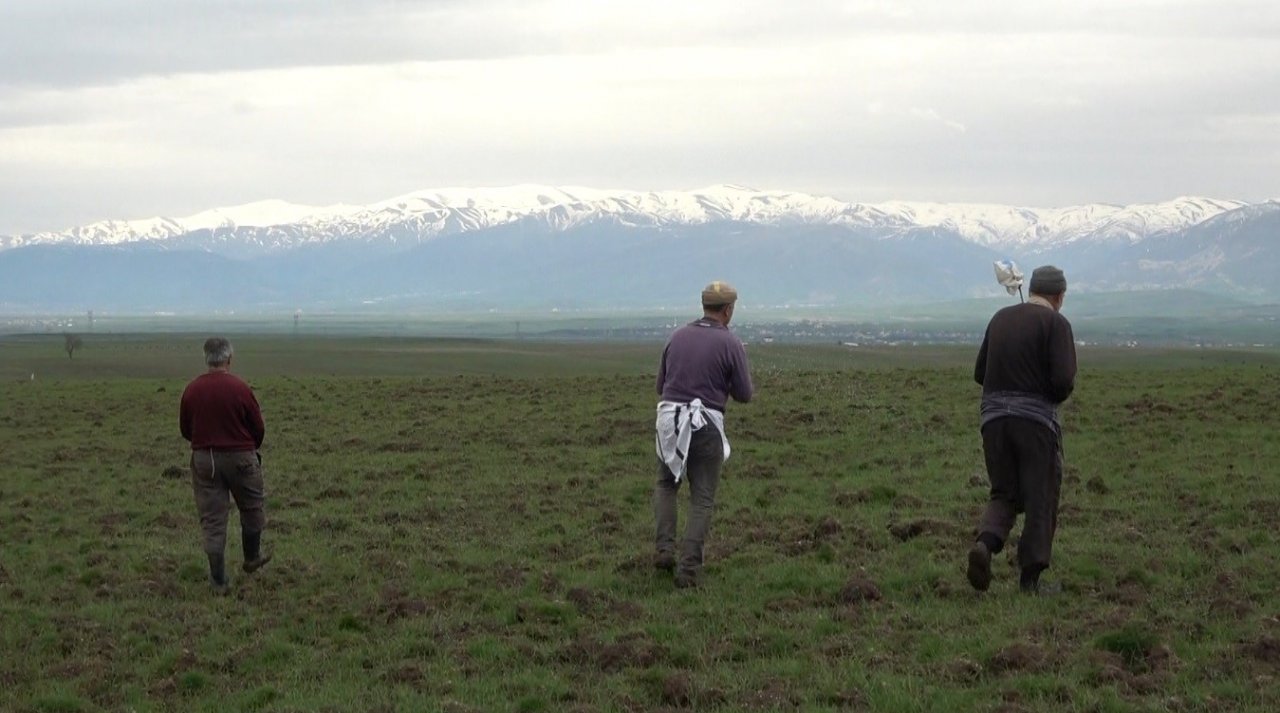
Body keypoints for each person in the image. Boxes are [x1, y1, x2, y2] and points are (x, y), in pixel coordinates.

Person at [967, 266, 1077, 594]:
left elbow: (979, 373)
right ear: (1059, 296)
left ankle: (985, 545)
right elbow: (1062, 383)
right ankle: (1031, 580)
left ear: (1031, 290)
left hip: (993, 423)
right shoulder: (1057, 324)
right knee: (1041, 496)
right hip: (1036, 426)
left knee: (1004, 493)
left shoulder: (1000, 318)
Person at [654, 281, 754, 588]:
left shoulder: (677, 336)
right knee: (702, 497)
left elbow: (661, 386)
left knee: (667, 484)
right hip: (704, 423)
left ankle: (663, 550)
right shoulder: (730, 343)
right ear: (728, 310)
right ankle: (688, 570)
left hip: (669, 420)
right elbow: (744, 394)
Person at [179, 337, 270, 593]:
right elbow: (258, 427)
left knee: (212, 519)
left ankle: (218, 580)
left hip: (204, 459)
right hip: (241, 457)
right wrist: (249, 448)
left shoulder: (192, 389)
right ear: (229, 358)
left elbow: (186, 429)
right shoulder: (240, 388)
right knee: (252, 507)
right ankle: (252, 558)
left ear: (206, 358)